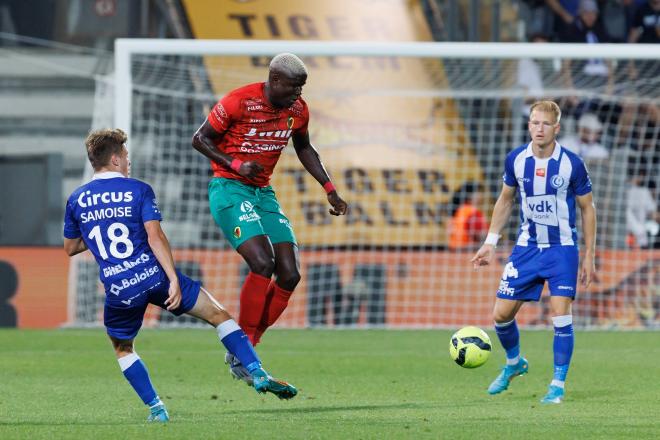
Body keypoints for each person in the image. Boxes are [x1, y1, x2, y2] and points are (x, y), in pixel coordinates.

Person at [63, 129, 298, 423]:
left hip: (119, 287)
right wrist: (172, 277)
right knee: (219, 315)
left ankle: (157, 408)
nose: (128, 161)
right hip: (155, 276)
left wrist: (97, 222)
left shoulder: (76, 199)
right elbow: (155, 235)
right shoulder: (138, 189)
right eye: (124, 156)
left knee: (123, 348)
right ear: (113, 159)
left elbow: (71, 247)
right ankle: (257, 372)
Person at [192, 53, 348, 381]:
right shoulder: (238, 101)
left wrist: (329, 187)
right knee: (263, 263)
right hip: (229, 188)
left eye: (302, 88)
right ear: (275, 80)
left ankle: (247, 344)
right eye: (293, 87)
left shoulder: (297, 111)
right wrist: (235, 165)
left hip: (263, 193)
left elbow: (304, 148)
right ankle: (243, 352)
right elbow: (200, 139)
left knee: (290, 274)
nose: (298, 95)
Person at [471, 100, 597, 404]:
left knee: (560, 315)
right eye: (533, 122)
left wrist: (589, 255)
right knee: (500, 315)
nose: (538, 128)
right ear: (528, 125)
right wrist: (490, 241)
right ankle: (515, 364)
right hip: (526, 248)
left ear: (557, 128)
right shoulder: (516, 160)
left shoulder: (572, 164)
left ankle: (557, 385)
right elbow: (505, 200)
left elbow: (587, 208)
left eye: (545, 124)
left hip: (561, 249)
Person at [448, 182, 489, 250]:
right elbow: (482, 235)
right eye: (479, 192)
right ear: (470, 195)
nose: (481, 195)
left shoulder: (459, 210)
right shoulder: (474, 212)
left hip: (453, 250)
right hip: (469, 251)